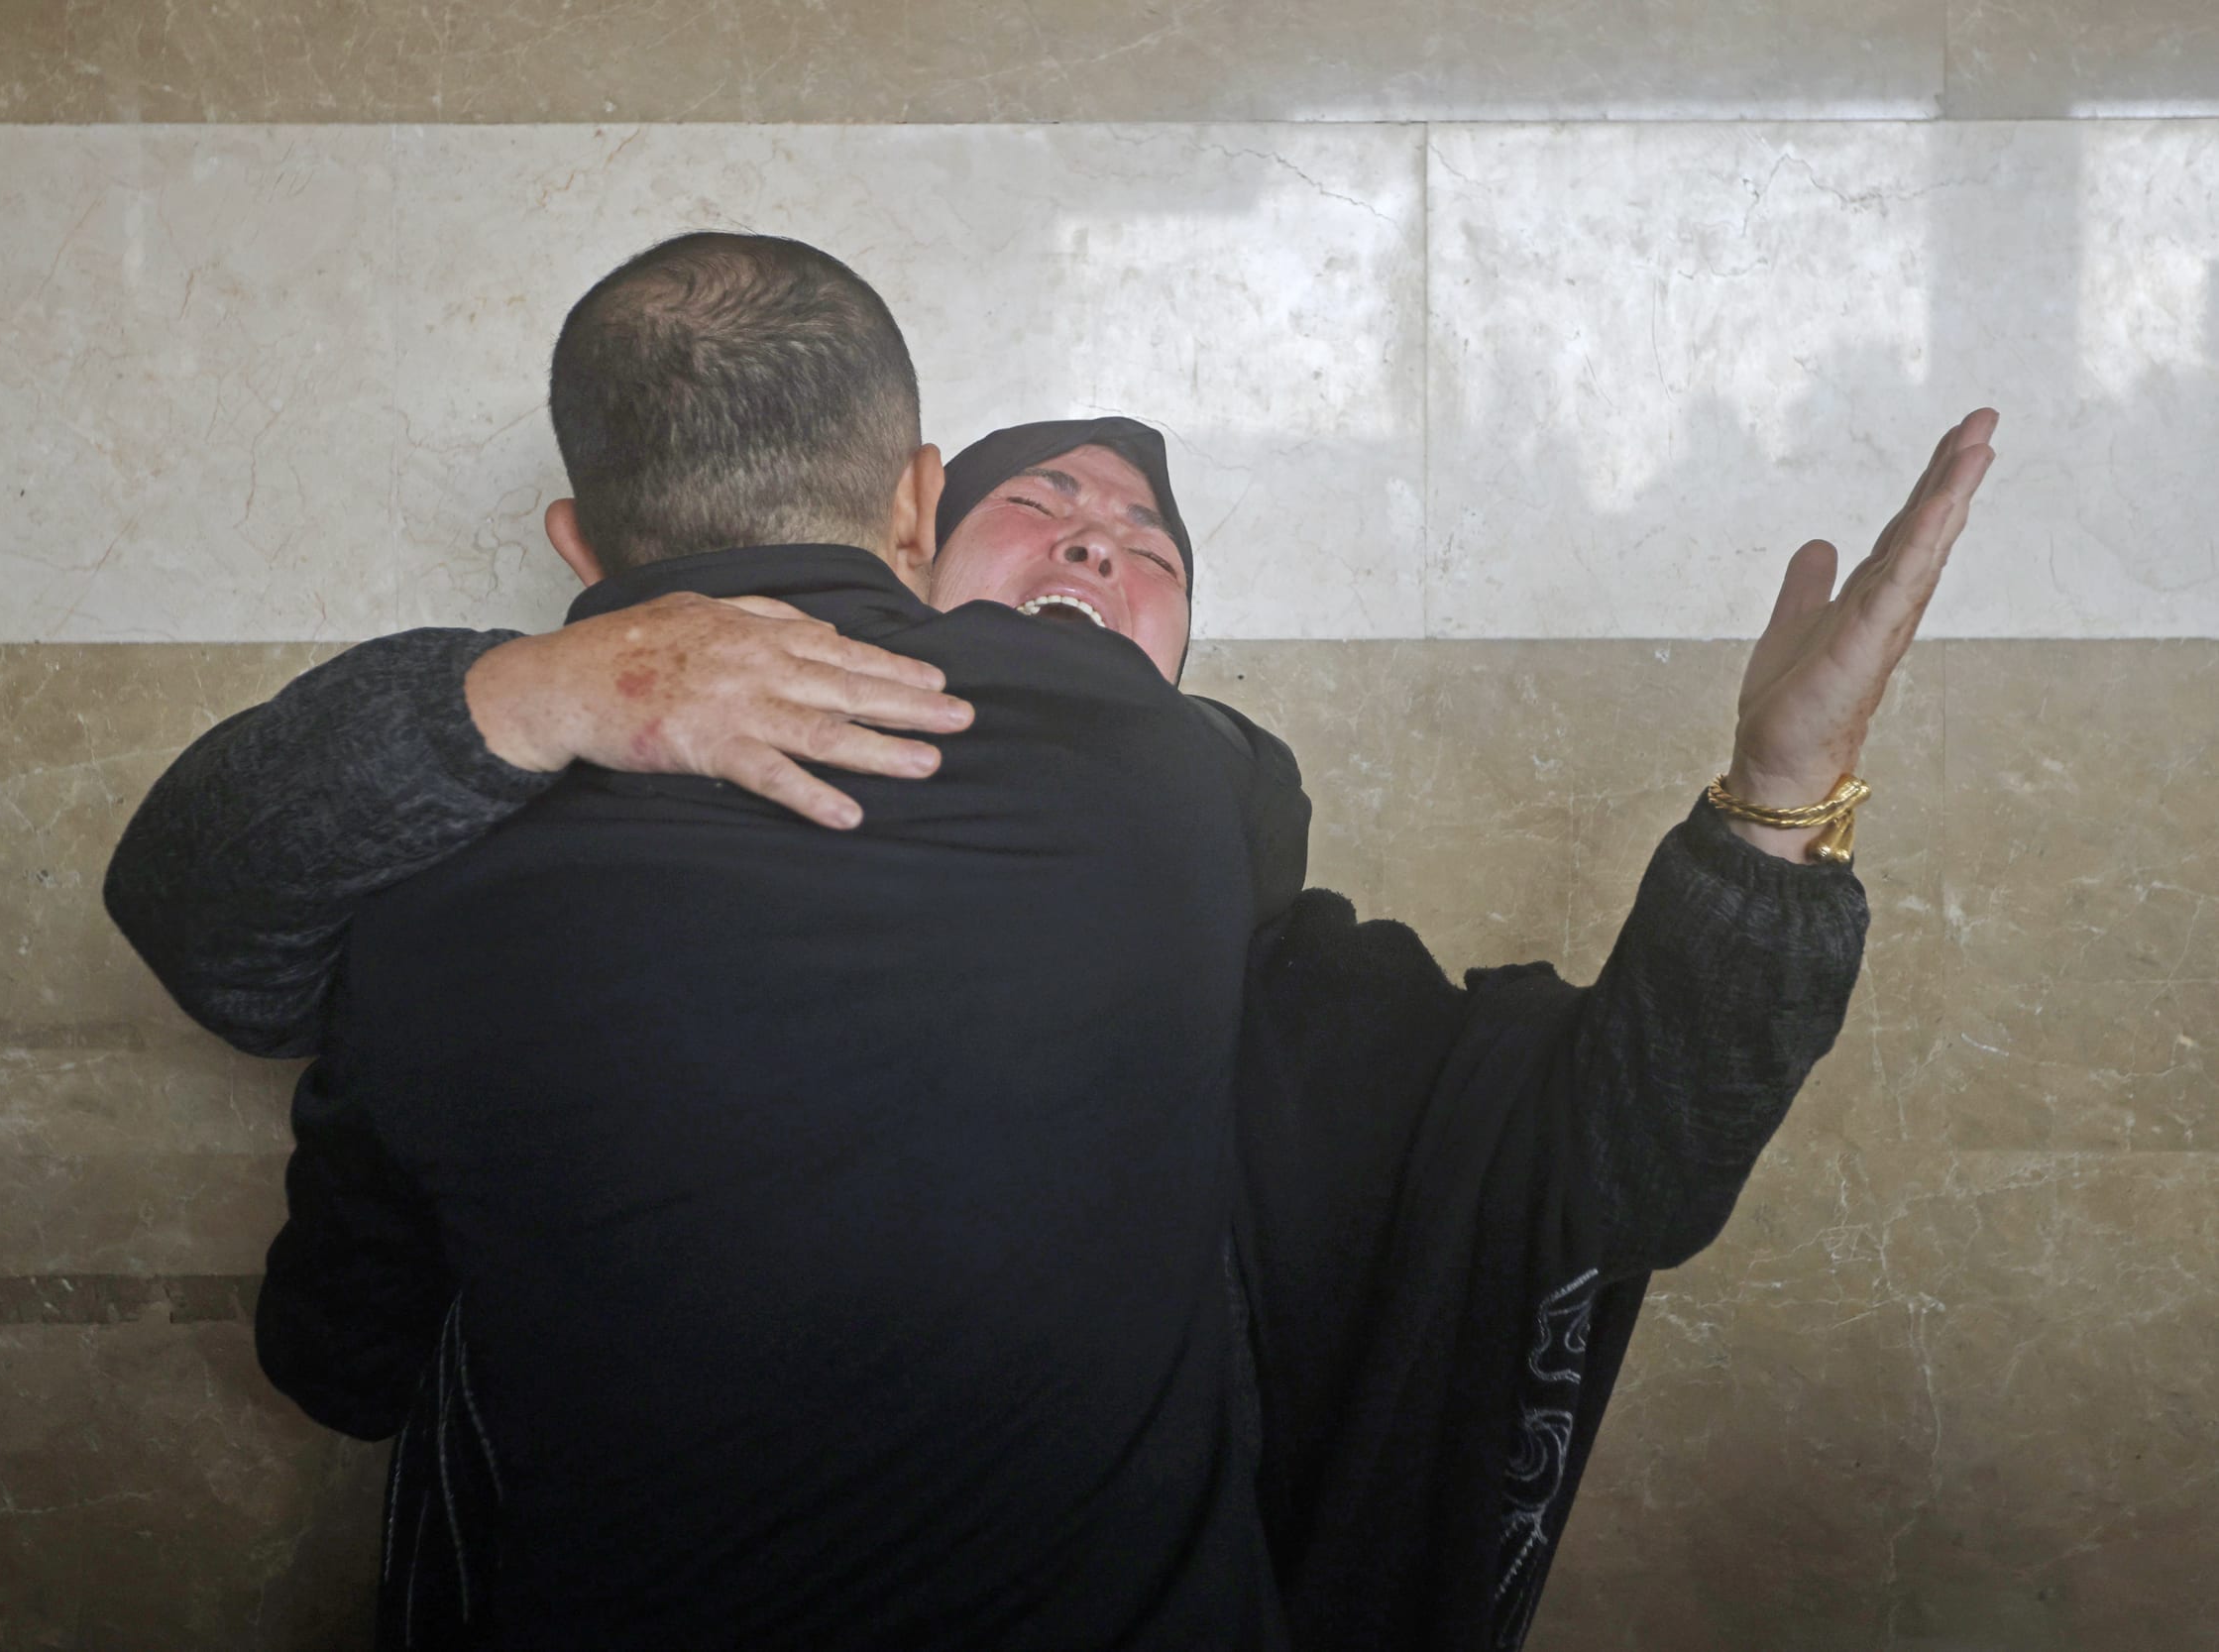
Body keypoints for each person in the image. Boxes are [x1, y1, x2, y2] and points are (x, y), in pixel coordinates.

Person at [106, 231, 1997, 1646]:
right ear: (908, 551)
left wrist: (1778, 797)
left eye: (1151, 544)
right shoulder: (561, 815)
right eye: (1046, 505)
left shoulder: (1234, 881)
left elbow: (1624, 1159)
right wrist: (549, 689)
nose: (1101, 544)